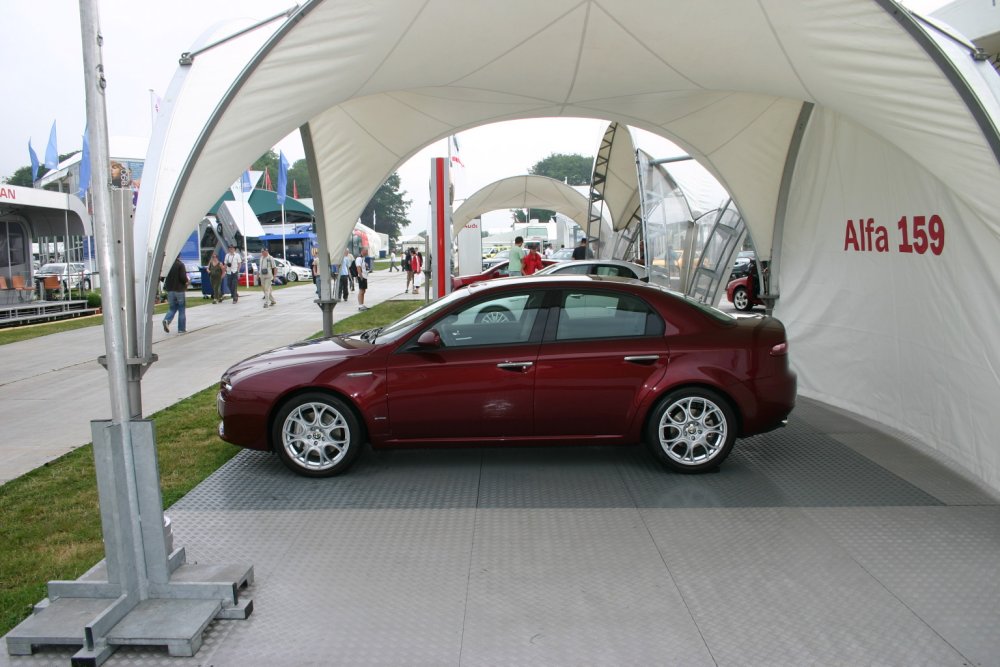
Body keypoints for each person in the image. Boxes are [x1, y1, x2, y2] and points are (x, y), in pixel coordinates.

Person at [161, 256, 188, 333]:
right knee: (181, 309)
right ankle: (181, 329)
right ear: (179, 256)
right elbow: (183, 277)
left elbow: (162, 278)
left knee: (172, 308)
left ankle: (167, 320)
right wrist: (186, 281)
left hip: (170, 290)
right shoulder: (180, 264)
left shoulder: (167, 265)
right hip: (179, 290)